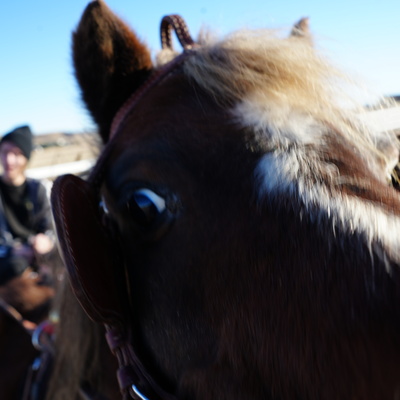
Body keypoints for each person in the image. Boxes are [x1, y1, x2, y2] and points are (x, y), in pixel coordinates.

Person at [0, 125, 55, 285]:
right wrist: (14, 250)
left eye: (16, 154)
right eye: (5, 152)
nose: (9, 160)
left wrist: (45, 241)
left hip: (38, 254)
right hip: (8, 259)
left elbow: (49, 227)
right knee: (15, 266)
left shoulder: (38, 188)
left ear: (26, 158)